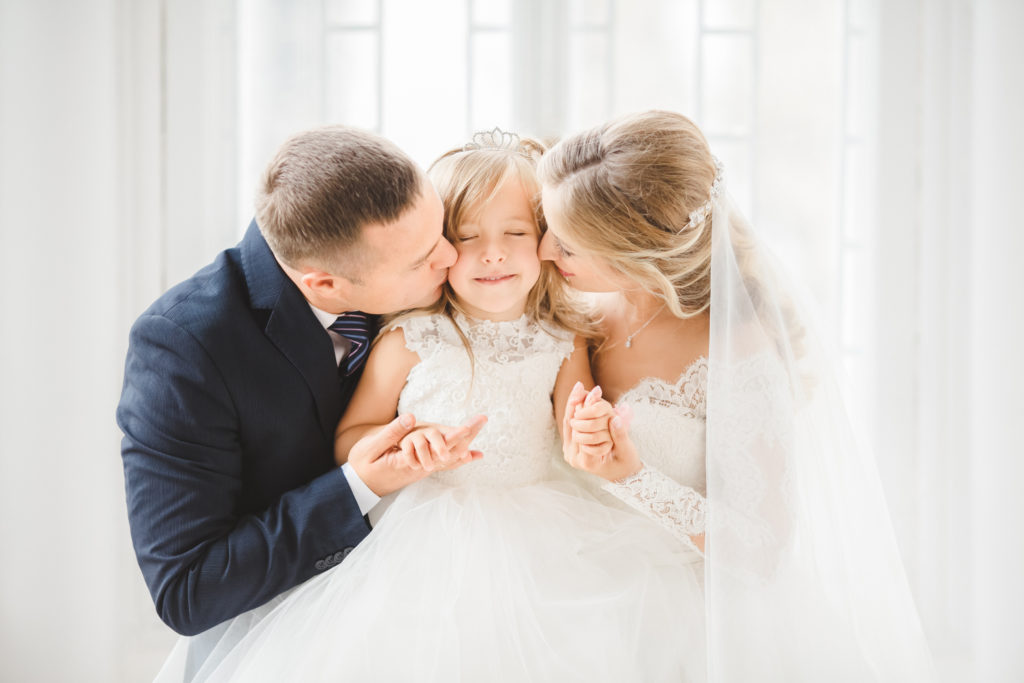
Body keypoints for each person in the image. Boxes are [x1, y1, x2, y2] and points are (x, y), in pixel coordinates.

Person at [160, 130, 707, 682]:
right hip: (423, 535)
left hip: (542, 528)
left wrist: (590, 430)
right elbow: (354, 436)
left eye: (516, 233)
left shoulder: (563, 336)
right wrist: (402, 447)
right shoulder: (411, 336)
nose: (488, 253)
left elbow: (575, 422)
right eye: (462, 238)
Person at [539, 110, 936, 681]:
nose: (547, 251)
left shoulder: (738, 353)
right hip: (569, 592)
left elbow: (763, 547)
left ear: (639, 259)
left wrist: (630, 476)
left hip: (689, 623)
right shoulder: (575, 306)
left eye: (570, 246)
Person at [116, 125, 487, 650]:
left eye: (442, 230)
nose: (452, 257)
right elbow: (188, 589)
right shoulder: (185, 349)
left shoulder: (418, 260)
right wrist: (358, 484)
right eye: (422, 258)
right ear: (325, 284)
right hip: (295, 635)